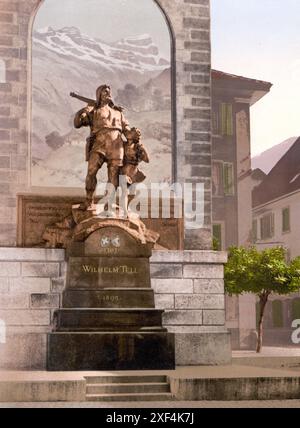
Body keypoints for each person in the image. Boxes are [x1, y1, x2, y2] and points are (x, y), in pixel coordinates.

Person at [74, 84, 140, 209]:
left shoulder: (118, 113)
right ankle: (89, 201)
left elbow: (126, 131)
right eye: (104, 92)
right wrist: (83, 111)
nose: (107, 94)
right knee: (91, 171)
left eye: (109, 91)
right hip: (99, 144)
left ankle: (108, 203)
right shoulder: (94, 111)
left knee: (113, 176)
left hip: (116, 146)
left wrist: (134, 134)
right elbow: (78, 123)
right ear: (99, 95)